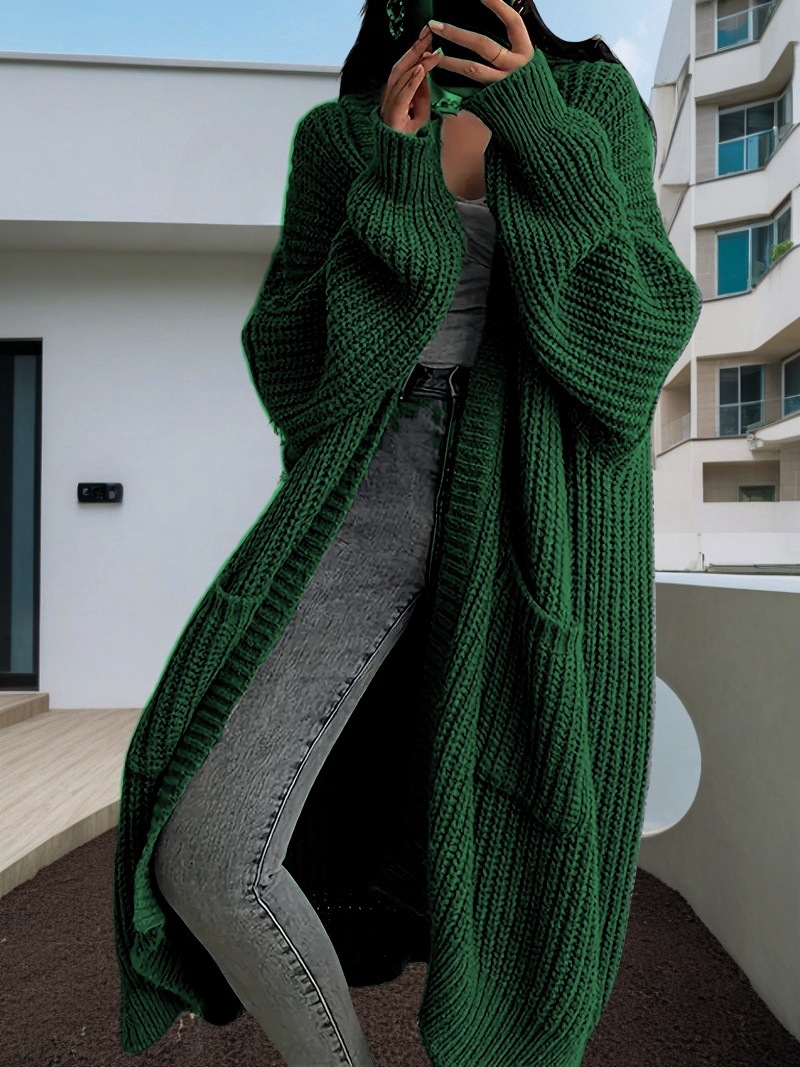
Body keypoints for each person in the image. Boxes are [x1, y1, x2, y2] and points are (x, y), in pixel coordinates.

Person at [151, 12, 495, 1067]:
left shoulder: (590, 108)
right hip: (371, 485)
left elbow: (634, 342)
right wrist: (393, 175)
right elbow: (295, 367)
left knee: (512, 896)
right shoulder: (339, 137)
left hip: (527, 516)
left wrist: (543, 128)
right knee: (206, 849)